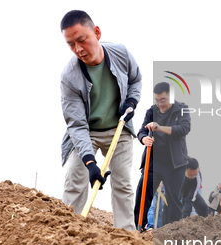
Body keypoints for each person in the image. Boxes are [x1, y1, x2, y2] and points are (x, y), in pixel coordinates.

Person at [59, 10, 142, 231]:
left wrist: (132, 102)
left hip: (119, 128)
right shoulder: (70, 77)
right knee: (75, 179)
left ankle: (126, 234)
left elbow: (136, 79)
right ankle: (70, 230)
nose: (78, 49)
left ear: (96, 33)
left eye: (81, 40)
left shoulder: (121, 53)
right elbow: (76, 124)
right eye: (70, 44)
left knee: (122, 183)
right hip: (87, 132)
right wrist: (90, 163)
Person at [134, 82, 191, 228]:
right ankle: (139, 227)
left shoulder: (182, 109)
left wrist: (159, 128)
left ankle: (174, 232)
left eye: (163, 100)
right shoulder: (151, 111)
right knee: (143, 194)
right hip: (154, 162)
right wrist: (143, 138)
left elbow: (184, 129)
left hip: (175, 164)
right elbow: (141, 130)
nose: (159, 104)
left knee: (174, 200)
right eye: (157, 100)